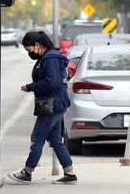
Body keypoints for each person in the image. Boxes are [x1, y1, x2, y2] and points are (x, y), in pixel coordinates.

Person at [8, 31, 77, 184]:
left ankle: (27, 171)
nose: (30, 53)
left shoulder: (49, 59)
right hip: (56, 103)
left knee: (37, 137)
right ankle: (70, 174)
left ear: (37, 45)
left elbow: (51, 83)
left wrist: (30, 86)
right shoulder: (49, 57)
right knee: (55, 140)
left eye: (30, 50)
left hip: (52, 104)